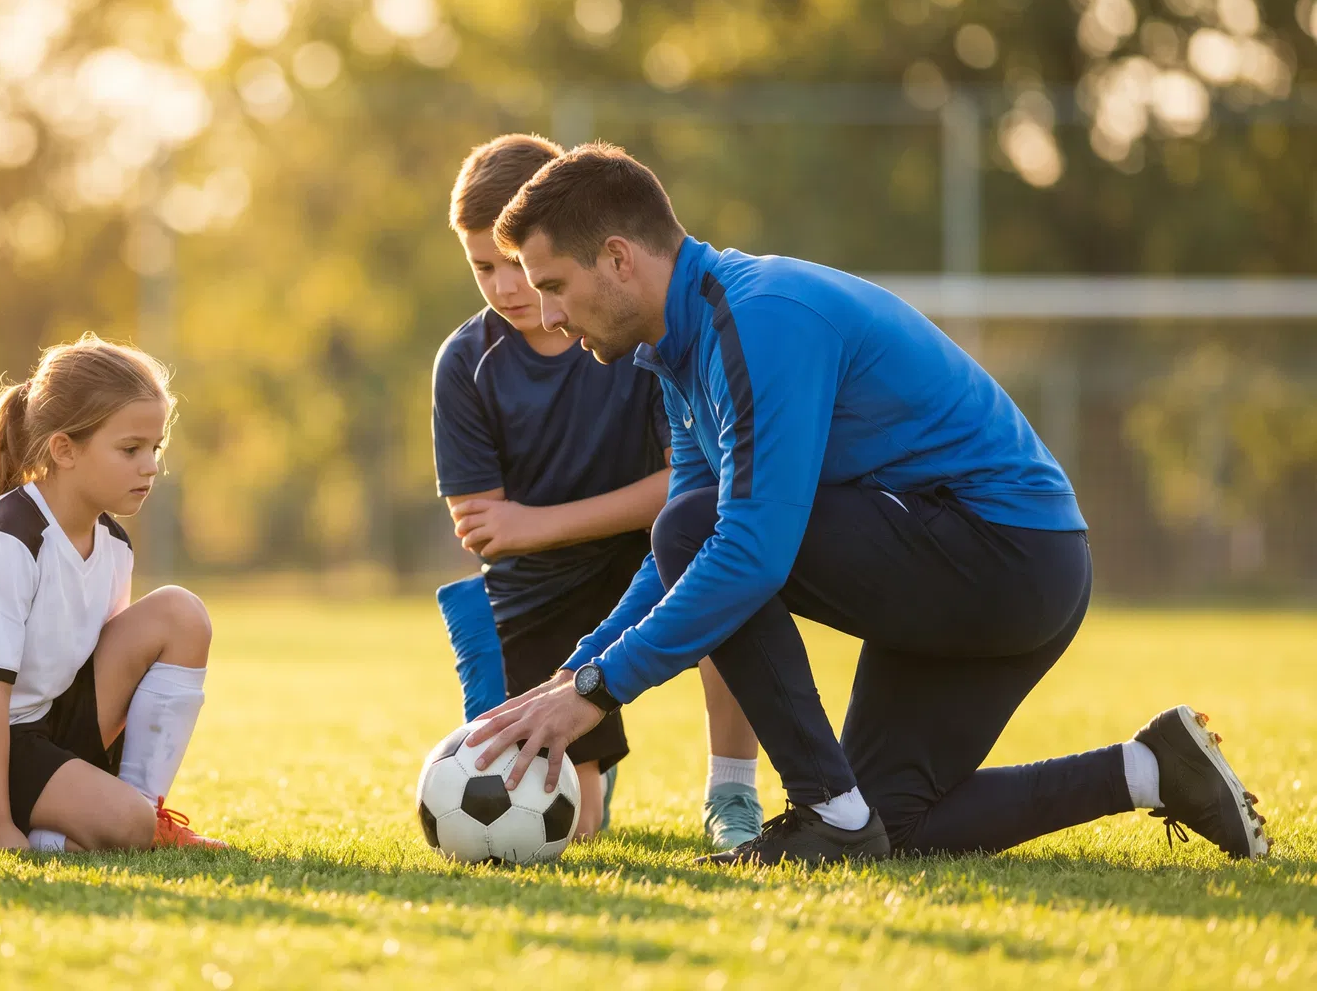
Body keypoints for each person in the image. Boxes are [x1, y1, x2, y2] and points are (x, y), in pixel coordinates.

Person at [469, 143, 1270, 866]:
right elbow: (675, 557)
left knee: (709, 533)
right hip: (991, 563)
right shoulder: (679, 349)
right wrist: (575, 673)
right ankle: (1150, 768)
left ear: (617, 260)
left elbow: (745, 550)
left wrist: (602, 689)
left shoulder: (757, 319)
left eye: (553, 286)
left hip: (1005, 556)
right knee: (895, 825)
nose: (547, 315)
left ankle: (825, 810)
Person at [433, 134, 766, 846]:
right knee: (568, 830)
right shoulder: (466, 363)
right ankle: (592, 768)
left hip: (647, 550)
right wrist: (527, 532)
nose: (504, 286)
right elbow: (487, 528)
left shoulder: (630, 326)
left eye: (518, 266)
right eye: (482, 267)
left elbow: (692, 481)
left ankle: (731, 794)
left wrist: (536, 523)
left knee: (717, 557)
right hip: (536, 588)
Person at [0, 335, 224, 852]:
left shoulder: (113, 543)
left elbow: (105, 671)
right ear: (64, 449)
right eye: (130, 449)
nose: (151, 465)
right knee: (122, 828)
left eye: (154, 448)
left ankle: (143, 813)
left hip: (41, 724)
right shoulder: (8, 540)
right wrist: (0, 825)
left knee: (181, 613)